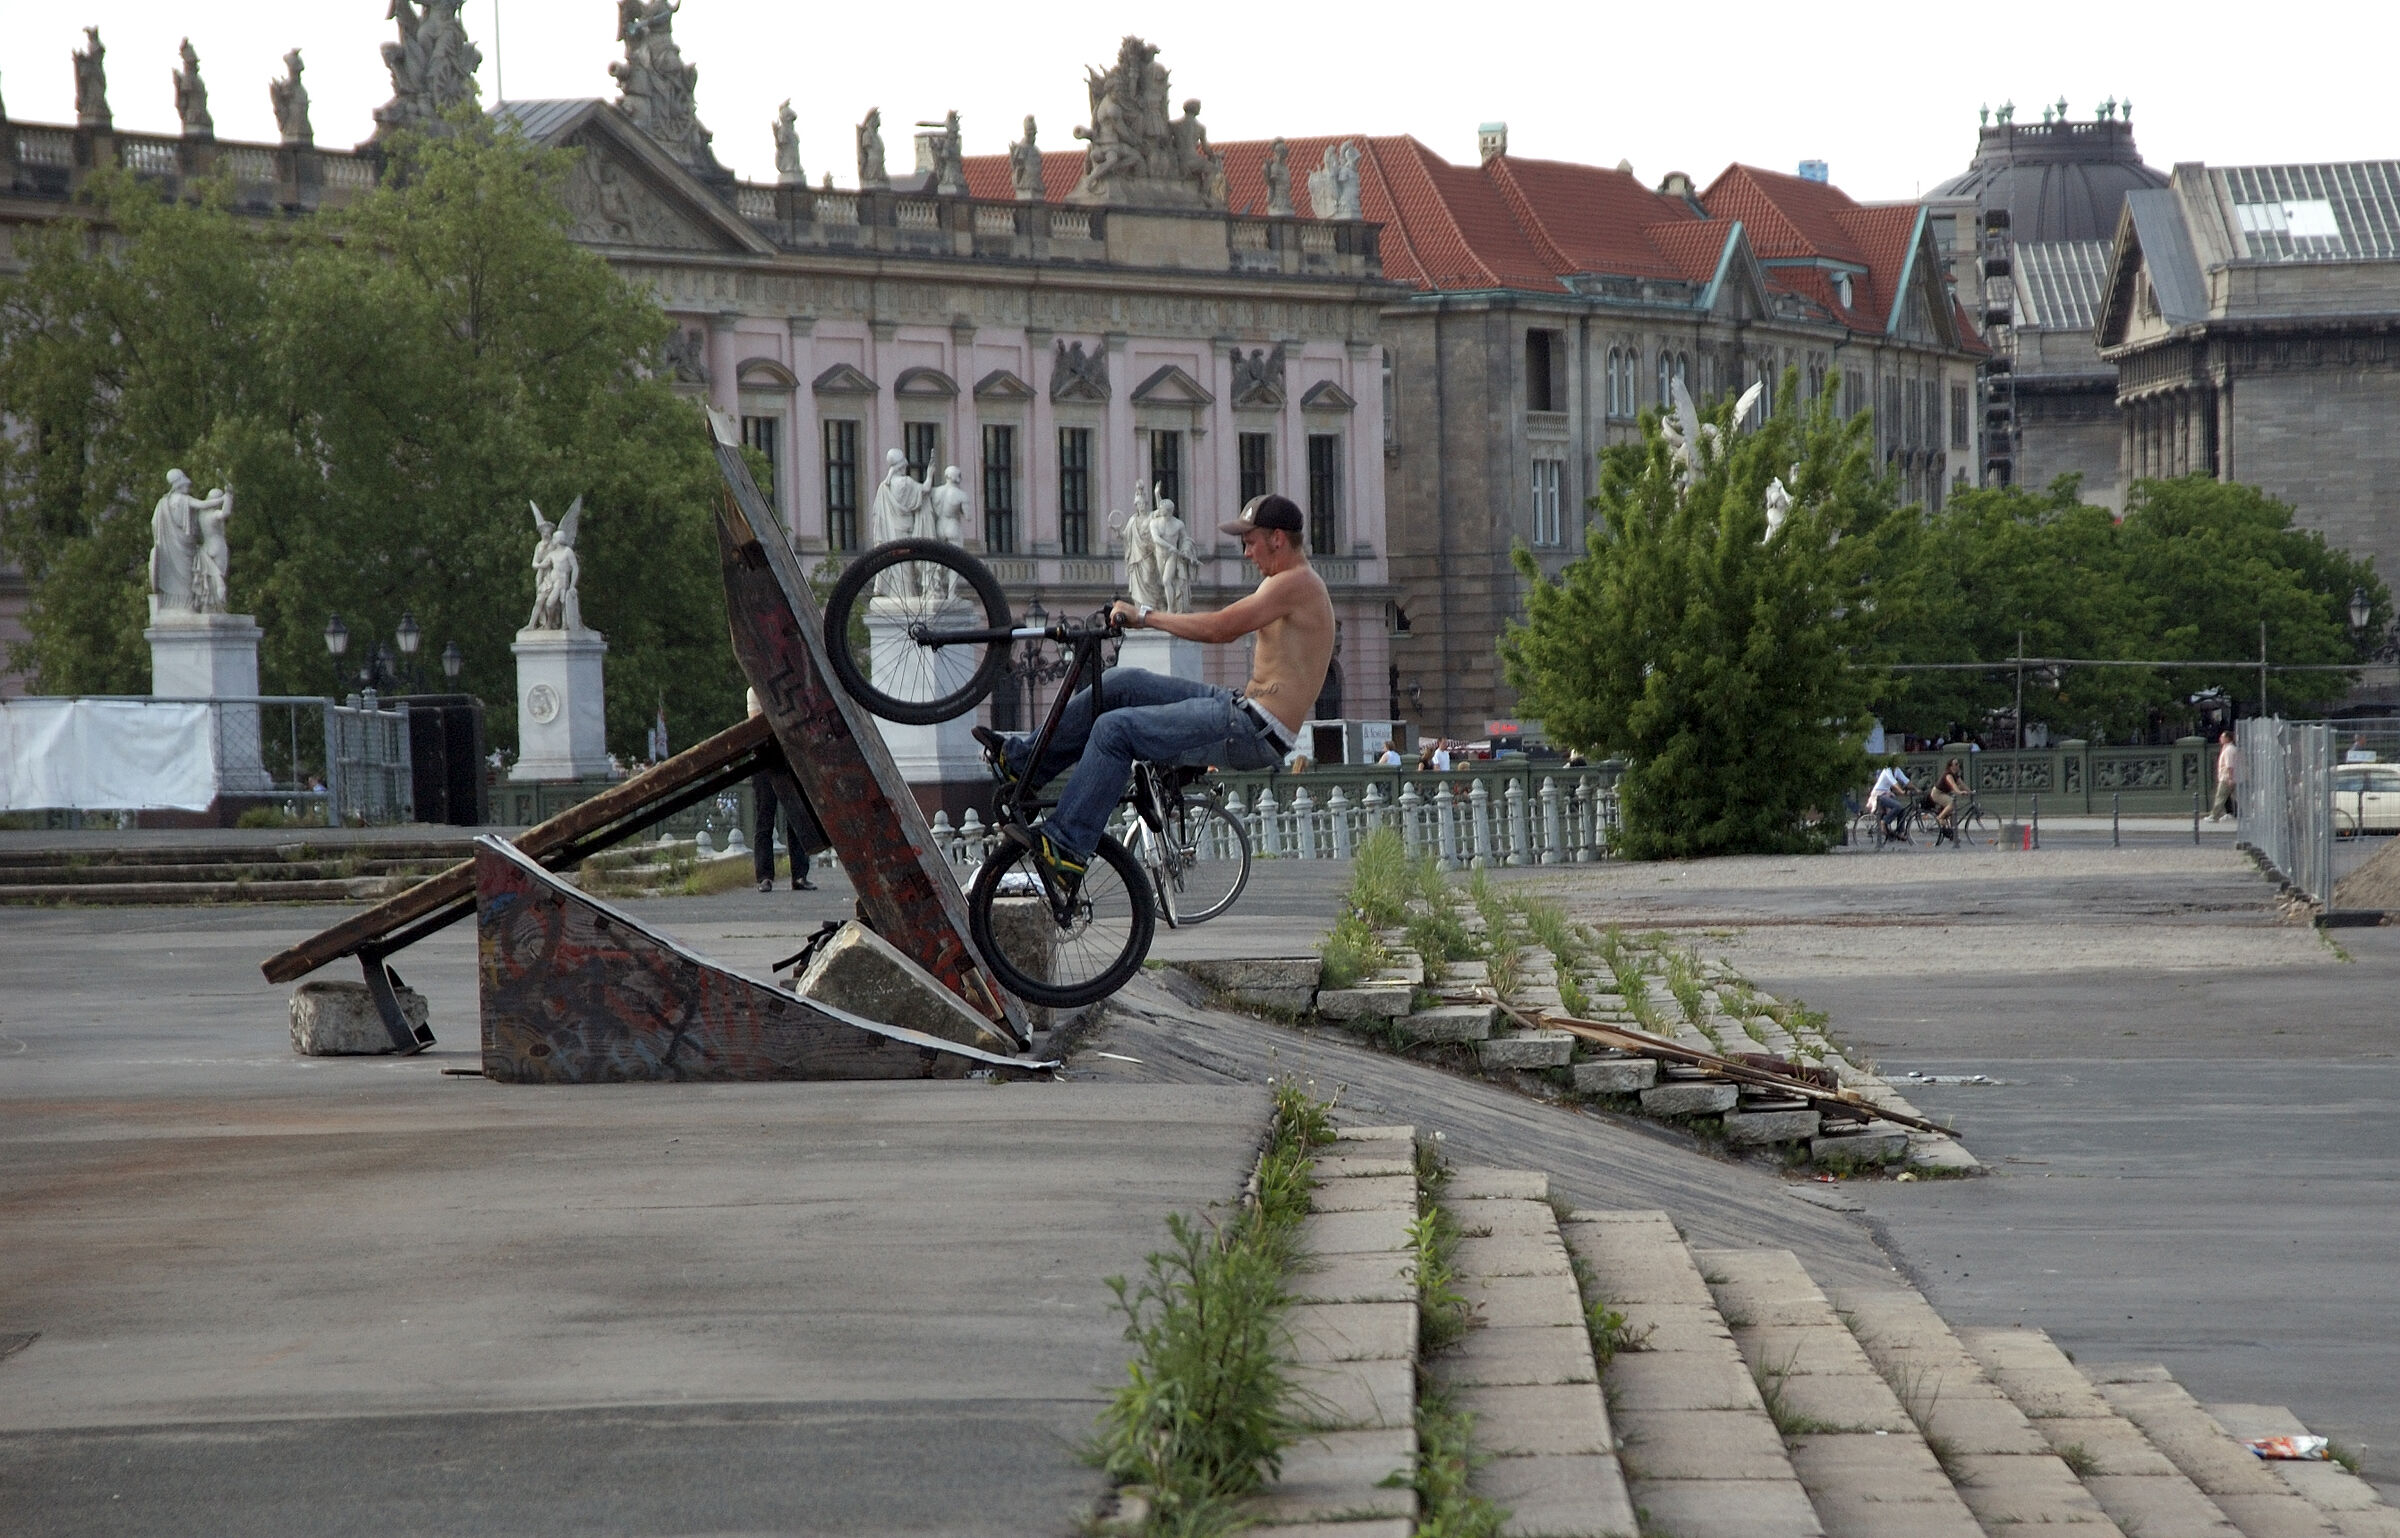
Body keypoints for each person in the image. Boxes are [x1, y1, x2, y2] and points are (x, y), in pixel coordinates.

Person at [974, 493, 1334, 894]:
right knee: (1121, 684)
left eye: (1250, 541)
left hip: (1254, 730)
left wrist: (1144, 616)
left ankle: (1067, 846)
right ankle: (1022, 763)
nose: (1246, 552)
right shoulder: (1287, 583)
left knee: (1115, 731)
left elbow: (1221, 629)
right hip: (1241, 709)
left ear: (1278, 539)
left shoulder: (1294, 583)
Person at [746, 688, 816, 891]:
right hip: (765, 759)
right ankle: (764, 876)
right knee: (764, 819)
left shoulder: (786, 688)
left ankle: (800, 875)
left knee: (796, 818)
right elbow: (757, 722)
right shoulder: (754, 691)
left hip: (789, 757)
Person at [1868, 762, 1913, 841]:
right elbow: (1894, 783)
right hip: (1879, 795)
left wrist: (1916, 789)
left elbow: (1906, 781)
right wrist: (1902, 792)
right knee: (1897, 806)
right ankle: (1884, 821)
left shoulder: (1896, 770)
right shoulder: (1887, 770)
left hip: (1887, 794)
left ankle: (1900, 832)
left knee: (1902, 809)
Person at [1929, 757, 1968, 845]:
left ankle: (1953, 834)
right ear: (1951, 766)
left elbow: (1962, 784)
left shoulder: (1956, 775)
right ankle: (1939, 817)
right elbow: (1953, 785)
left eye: (1958, 764)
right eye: (1956, 764)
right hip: (1937, 794)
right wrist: (1959, 792)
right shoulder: (1948, 775)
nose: (1958, 766)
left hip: (1944, 793)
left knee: (1952, 812)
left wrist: (1970, 791)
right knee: (1951, 802)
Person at [2208, 730, 2238, 822]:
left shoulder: (2229, 750)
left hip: (2226, 778)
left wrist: (2230, 778)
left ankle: (2214, 816)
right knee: (2229, 797)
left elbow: (2230, 765)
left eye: (2222, 737)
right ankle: (2231, 813)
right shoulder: (2228, 748)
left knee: (2220, 796)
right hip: (2228, 777)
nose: (2220, 739)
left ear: (2227, 738)